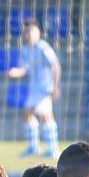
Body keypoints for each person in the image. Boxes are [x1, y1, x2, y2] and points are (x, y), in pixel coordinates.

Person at [7, 19, 61, 158]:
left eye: (31, 31)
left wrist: (55, 87)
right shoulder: (25, 50)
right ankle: (34, 147)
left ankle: (53, 149)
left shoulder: (44, 48)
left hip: (44, 89)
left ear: (38, 33)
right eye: (26, 31)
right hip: (34, 89)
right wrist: (15, 72)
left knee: (43, 116)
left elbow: (56, 66)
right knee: (29, 114)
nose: (28, 34)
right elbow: (24, 69)